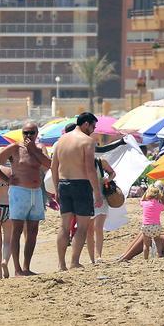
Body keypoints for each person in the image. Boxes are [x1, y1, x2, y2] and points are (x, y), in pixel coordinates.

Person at [0, 121, 51, 275]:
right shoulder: (15, 148)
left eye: (31, 133)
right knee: (17, 229)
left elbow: (49, 164)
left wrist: (33, 150)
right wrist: (7, 179)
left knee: (33, 230)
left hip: (36, 192)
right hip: (19, 191)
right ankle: (17, 269)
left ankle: (26, 267)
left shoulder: (40, 148)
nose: (28, 135)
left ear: (36, 134)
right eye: (25, 133)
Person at [51, 112, 103, 271]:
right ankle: (74, 262)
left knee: (64, 226)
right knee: (82, 226)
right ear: (86, 124)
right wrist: (97, 193)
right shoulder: (87, 141)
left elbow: (53, 167)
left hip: (63, 184)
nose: (93, 130)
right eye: (93, 126)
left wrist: (56, 189)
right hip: (81, 185)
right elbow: (90, 169)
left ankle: (61, 264)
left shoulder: (61, 140)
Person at [85, 157, 115, 263]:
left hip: (102, 197)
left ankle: (98, 256)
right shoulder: (80, 161)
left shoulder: (100, 161)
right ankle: (92, 258)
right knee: (89, 230)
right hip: (86, 199)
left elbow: (112, 173)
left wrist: (108, 179)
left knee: (98, 227)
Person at [141, 186, 164, 259]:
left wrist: (145, 193)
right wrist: (159, 200)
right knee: (158, 241)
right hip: (156, 226)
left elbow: (141, 200)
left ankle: (146, 258)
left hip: (146, 226)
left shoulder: (145, 203)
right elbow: (163, 208)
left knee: (146, 244)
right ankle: (159, 255)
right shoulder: (159, 205)